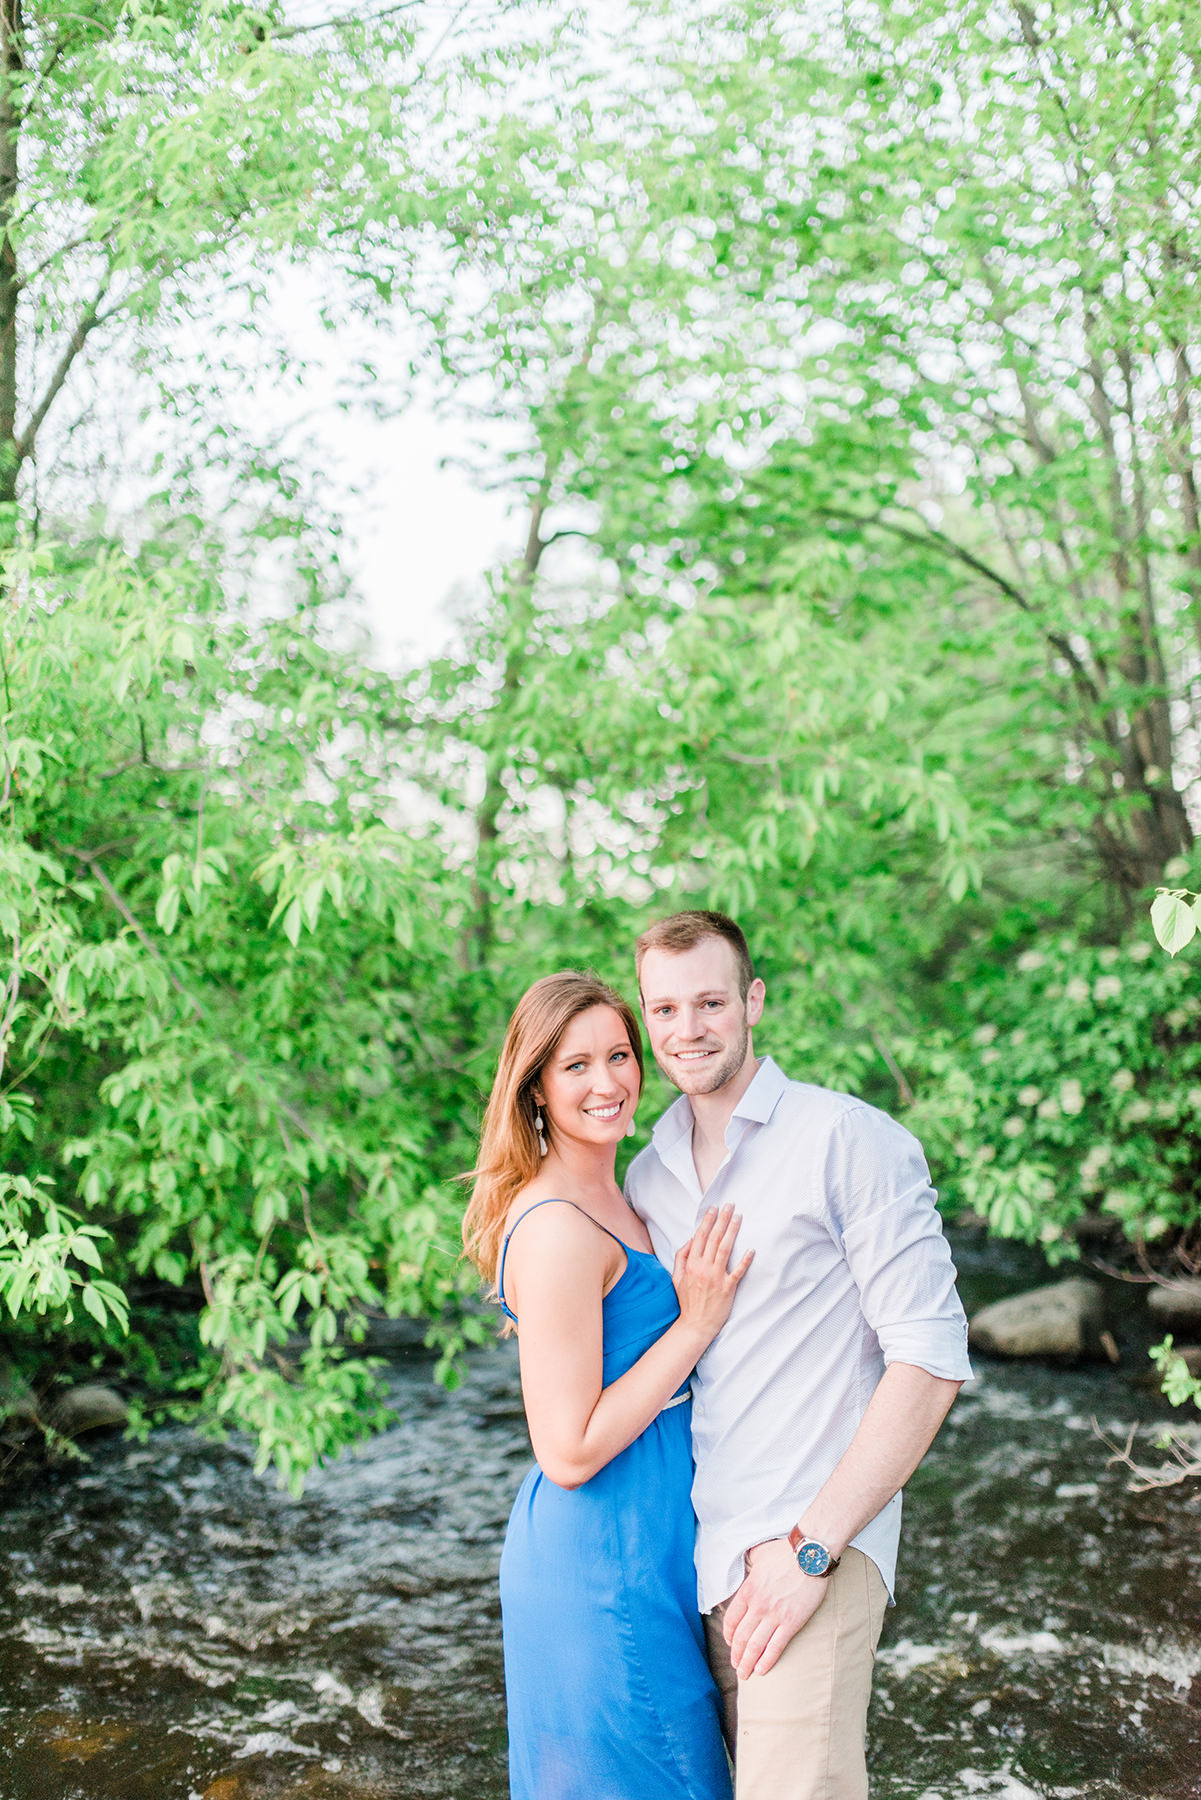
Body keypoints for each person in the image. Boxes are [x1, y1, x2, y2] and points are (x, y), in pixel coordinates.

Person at [626, 911, 973, 1800]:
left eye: (709, 1001)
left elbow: (930, 1361)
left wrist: (810, 1549)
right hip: (706, 1558)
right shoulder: (648, 1172)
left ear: (753, 1002)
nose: (687, 1029)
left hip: (815, 1545)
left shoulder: (846, 1139)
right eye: (664, 1009)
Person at [463, 970, 752, 1800]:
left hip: (657, 1544)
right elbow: (567, 1448)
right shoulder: (555, 1226)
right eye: (575, 1066)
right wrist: (695, 1324)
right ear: (536, 1091)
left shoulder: (622, 1193)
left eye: (618, 1055)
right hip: (599, 1560)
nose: (607, 1083)